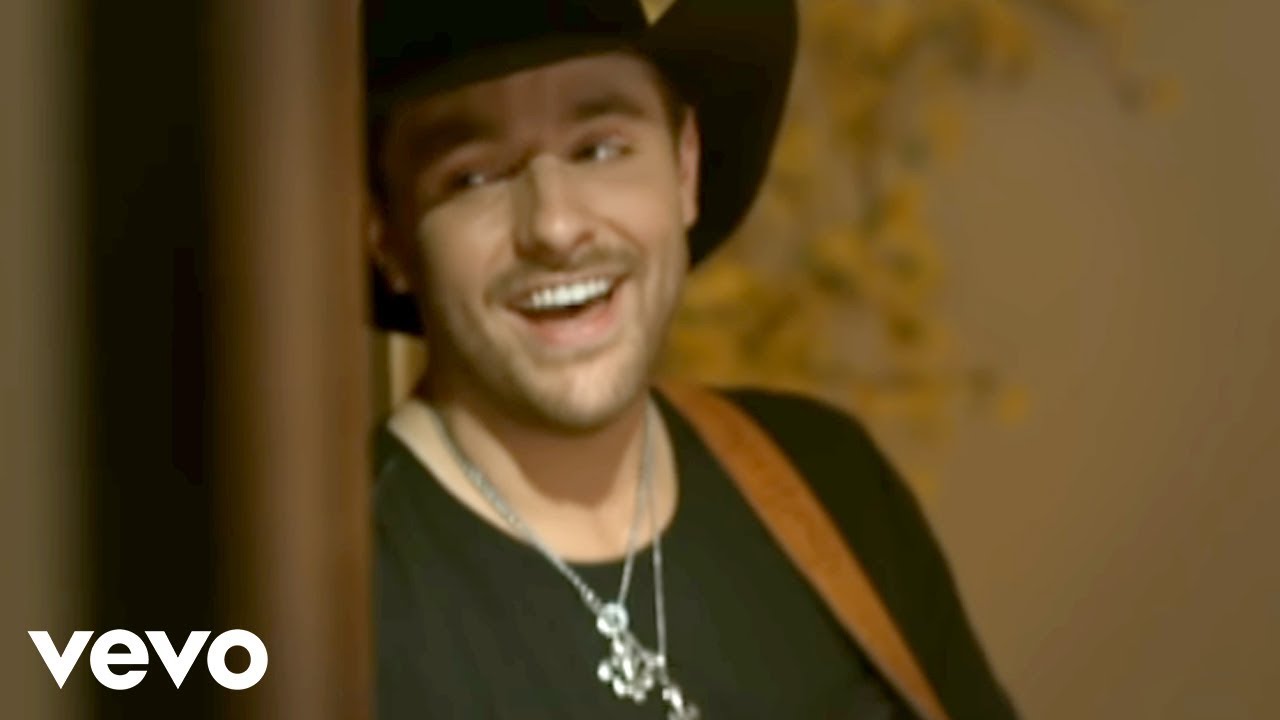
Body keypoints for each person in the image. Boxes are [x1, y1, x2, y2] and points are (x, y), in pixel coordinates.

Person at [366, 1, 1018, 718]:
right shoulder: (331, 605)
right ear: (386, 232)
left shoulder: (828, 484)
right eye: (472, 177)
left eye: (599, 149)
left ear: (684, 168)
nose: (554, 225)